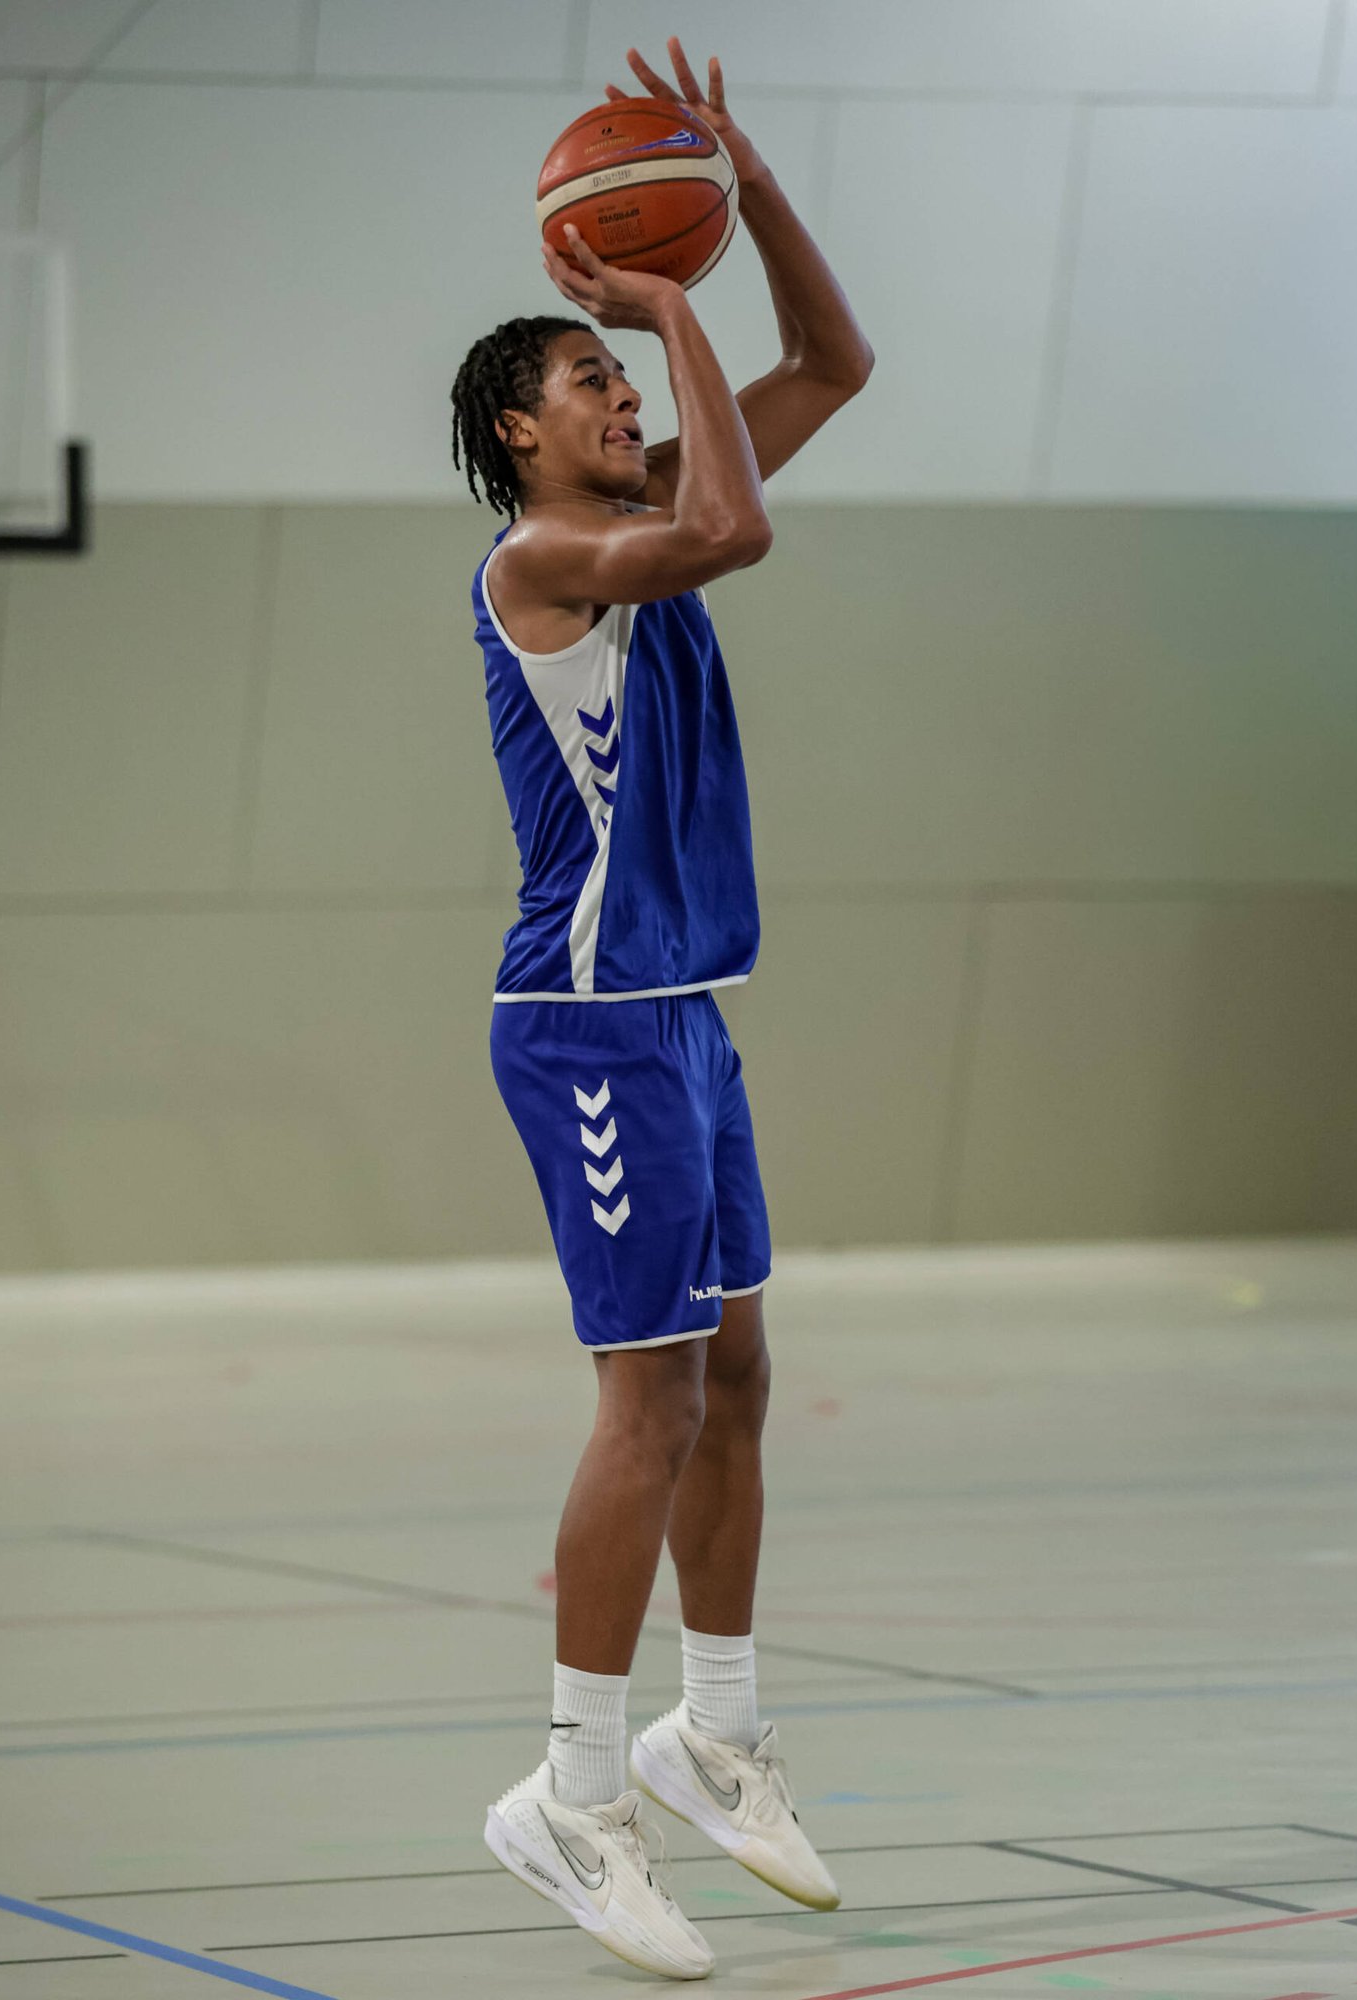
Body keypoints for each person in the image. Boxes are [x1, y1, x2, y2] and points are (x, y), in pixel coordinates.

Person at [450, 37, 872, 1982]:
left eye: (623, 375)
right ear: (520, 435)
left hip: (685, 1011)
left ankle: (711, 1736)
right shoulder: (543, 557)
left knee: (740, 1382)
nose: (622, 394)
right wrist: (665, 296)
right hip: (588, 1024)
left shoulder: (654, 506)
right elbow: (735, 529)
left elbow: (835, 364)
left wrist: (744, 183)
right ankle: (567, 1795)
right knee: (650, 1403)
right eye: (589, 380)